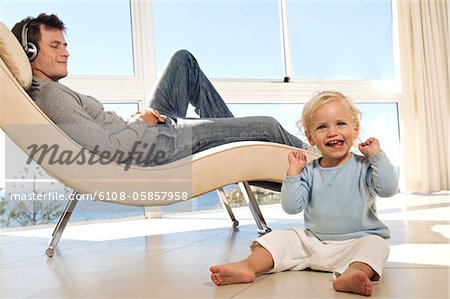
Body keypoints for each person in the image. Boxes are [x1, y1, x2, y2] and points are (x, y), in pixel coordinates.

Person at [12, 13, 307, 168]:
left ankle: (235, 144)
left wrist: (139, 121)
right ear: (30, 50)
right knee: (266, 126)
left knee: (182, 61)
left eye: (65, 45)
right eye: (55, 46)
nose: (66, 52)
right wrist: (141, 123)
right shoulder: (52, 97)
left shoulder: (50, 92)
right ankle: (323, 162)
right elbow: (108, 151)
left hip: (150, 131)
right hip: (156, 145)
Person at [210, 91, 399, 297]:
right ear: (310, 137)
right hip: (313, 242)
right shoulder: (309, 171)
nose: (332, 132)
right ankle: (248, 266)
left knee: (377, 245)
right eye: (322, 127)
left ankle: (353, 274)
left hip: (356, 243)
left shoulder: (365, 166)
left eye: (340, 124)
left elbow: (388, 189)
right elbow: (292, 207)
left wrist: (377, 157)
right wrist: (293, 174)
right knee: (280, 238)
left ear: (355, 129)